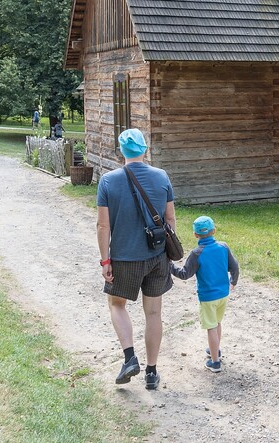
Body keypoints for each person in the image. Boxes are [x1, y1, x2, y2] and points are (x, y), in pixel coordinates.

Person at [96, 128, 176, 389]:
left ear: (121, 151)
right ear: (144, 149)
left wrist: (105, 260)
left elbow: (103, 226)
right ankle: (152, 373)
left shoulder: (108, 181)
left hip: (124, 258)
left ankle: (130, 358)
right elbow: (170, 221)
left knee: (117, 304)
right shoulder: (162, 176)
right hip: (156, 256)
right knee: (153, 312)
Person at [170, 215, 239, 373]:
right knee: (217, 323)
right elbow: (234, 267)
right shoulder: (223, 247)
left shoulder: (197, 253)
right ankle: (216, 350)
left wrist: (170, 266)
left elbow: (184, 274)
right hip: (223, 294)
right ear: (214, 230)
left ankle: (215, 362)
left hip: (208, 297)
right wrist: (233, 282)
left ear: (195, 235)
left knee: (211, 327)